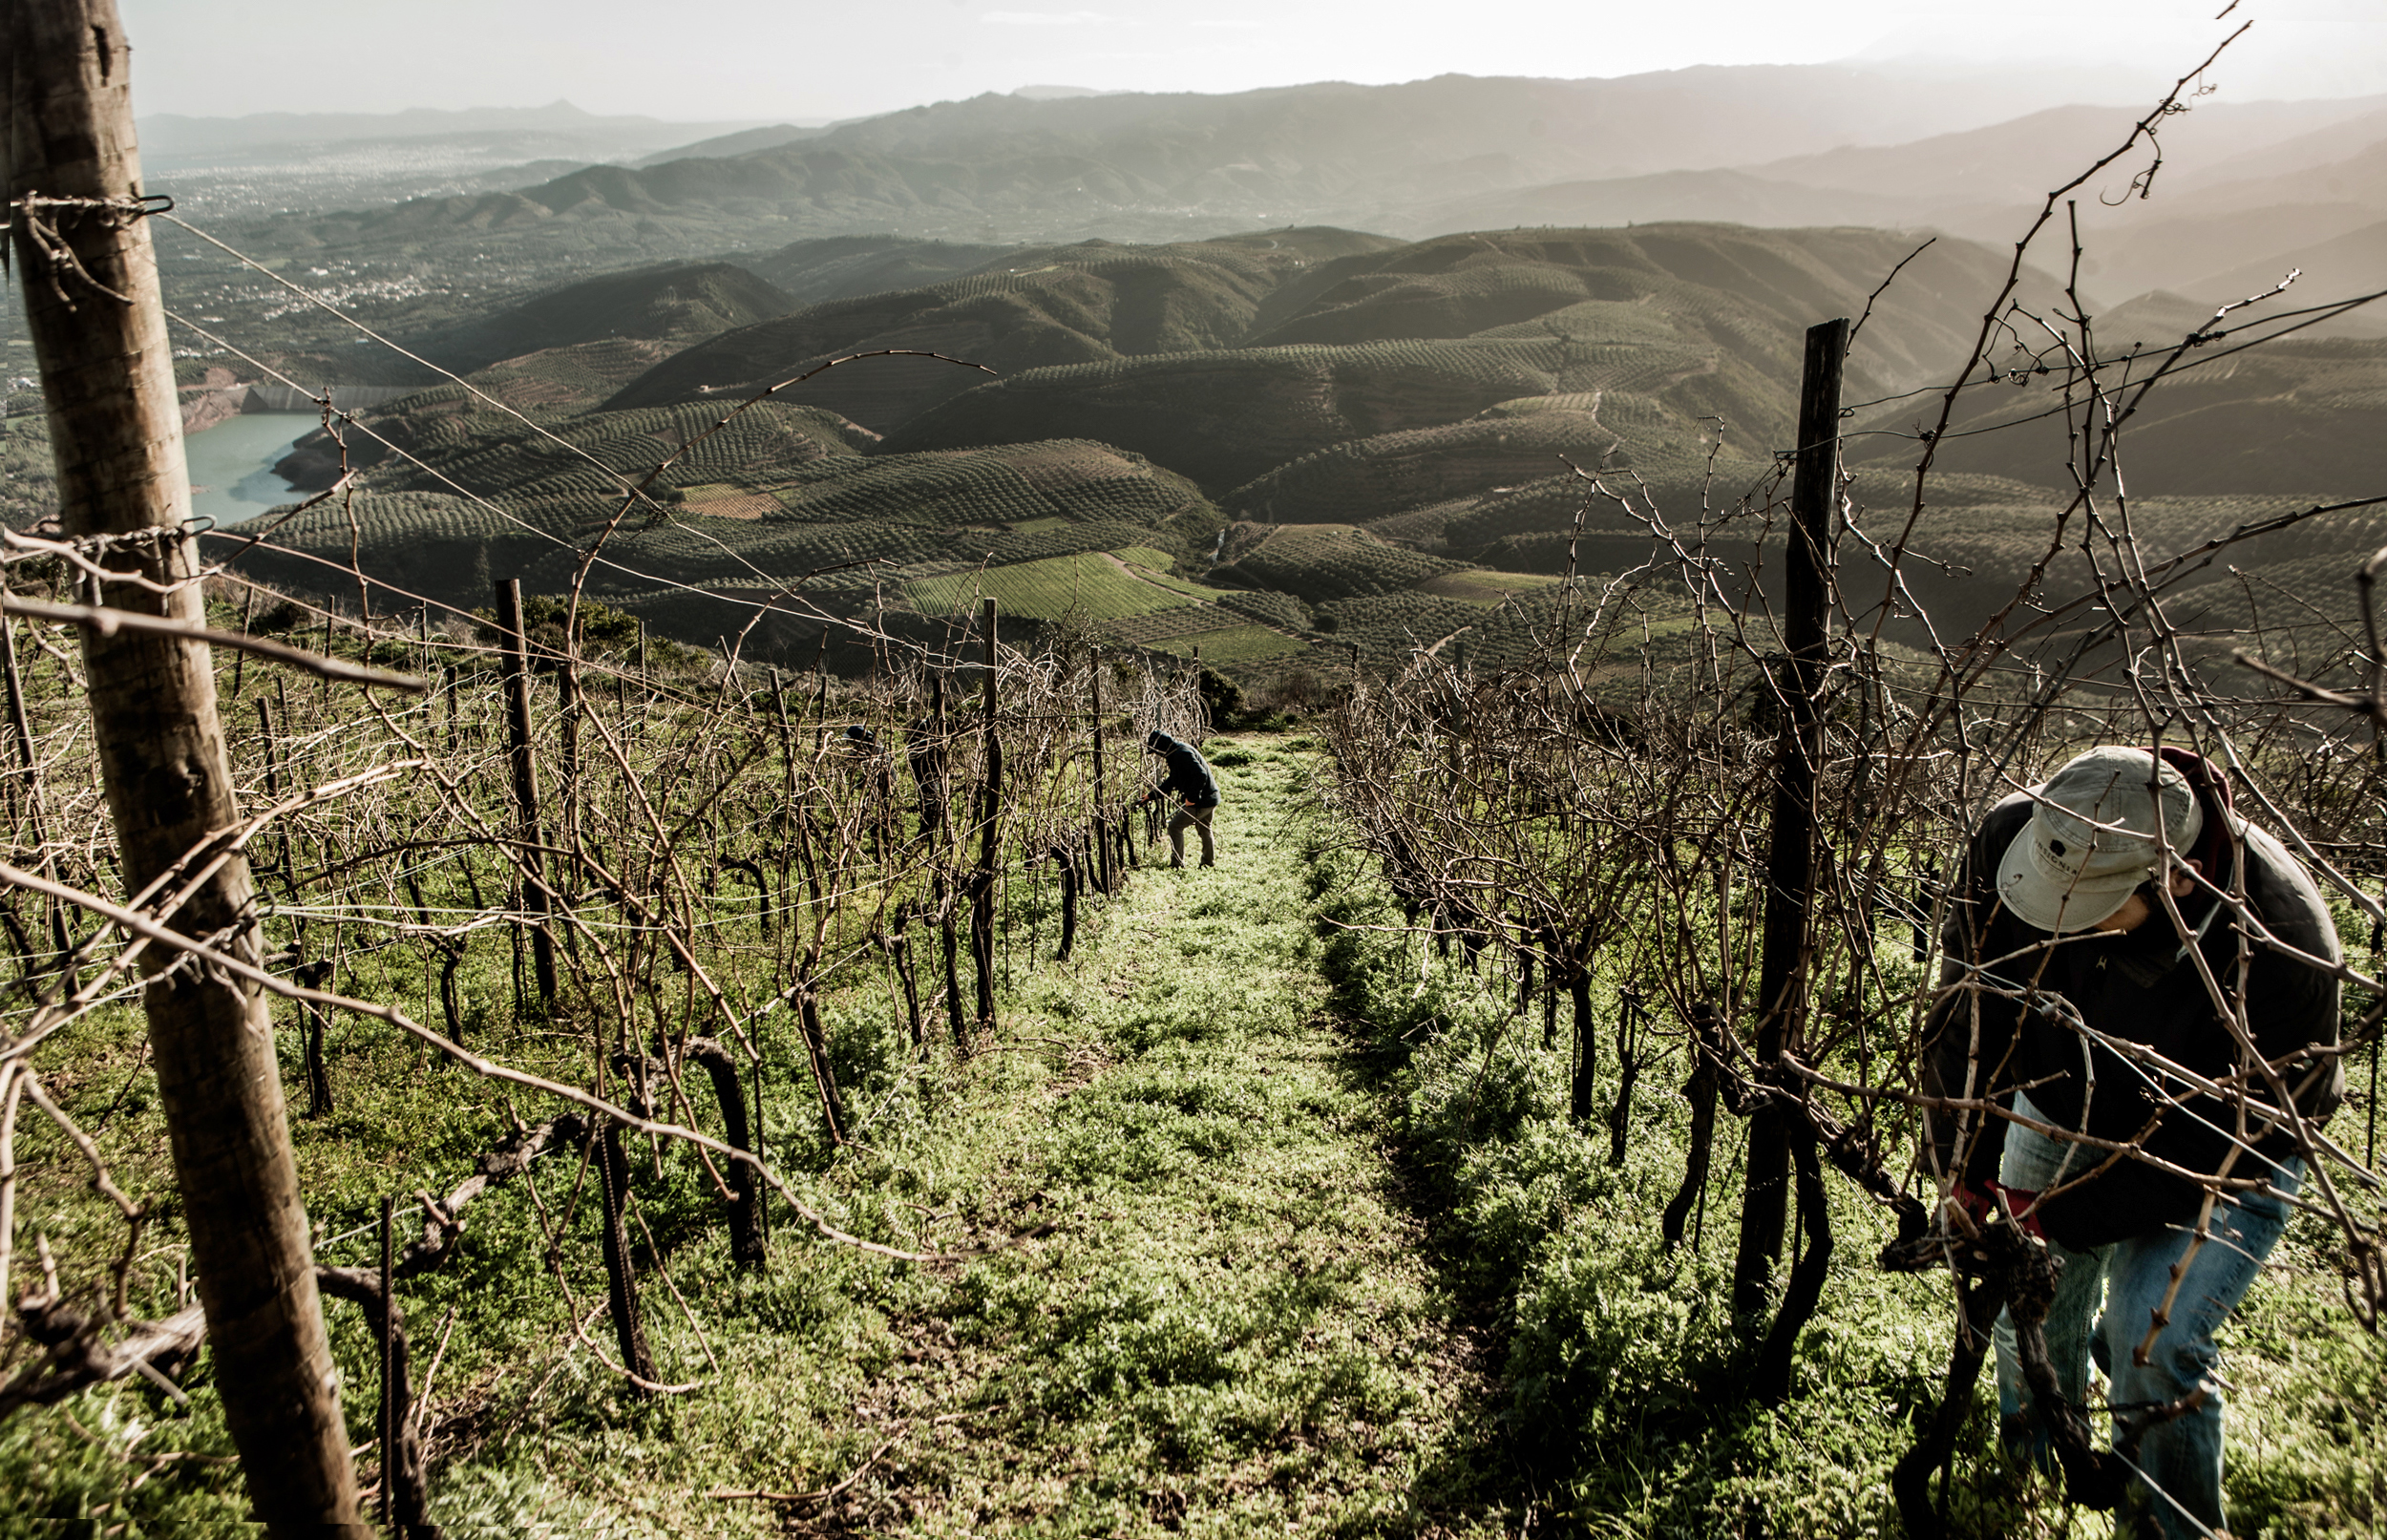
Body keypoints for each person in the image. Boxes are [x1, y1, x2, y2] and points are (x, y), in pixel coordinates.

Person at [1921, 745, 2343, 1539]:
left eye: (2087, 907)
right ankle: (2034, 1466)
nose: (2055, 921)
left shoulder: (2286, 943)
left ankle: (2168, 1522)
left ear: (2176, 882)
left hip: (2226, 1149)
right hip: (2063, 1091)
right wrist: (1964, 1168)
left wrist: (2050, 1216)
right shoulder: (2018, 839)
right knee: (2029, 1304)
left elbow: (2216, 1144)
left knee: (2154, 1338)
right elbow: (1968, 1013)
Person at [1139, 729, 1220, 869]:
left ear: (1161, 748)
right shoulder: (1179, 751)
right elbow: (1173, 781)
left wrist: (1192, 798)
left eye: (1157, 751)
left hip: (1203, 800)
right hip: (1211, 797)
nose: (1158, 755)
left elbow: (1200, 775)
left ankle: (1177, 864)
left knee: (1175, 826)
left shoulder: (1182, 754)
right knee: (1205, 828)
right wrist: (1151, 796)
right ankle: (1208, 862)